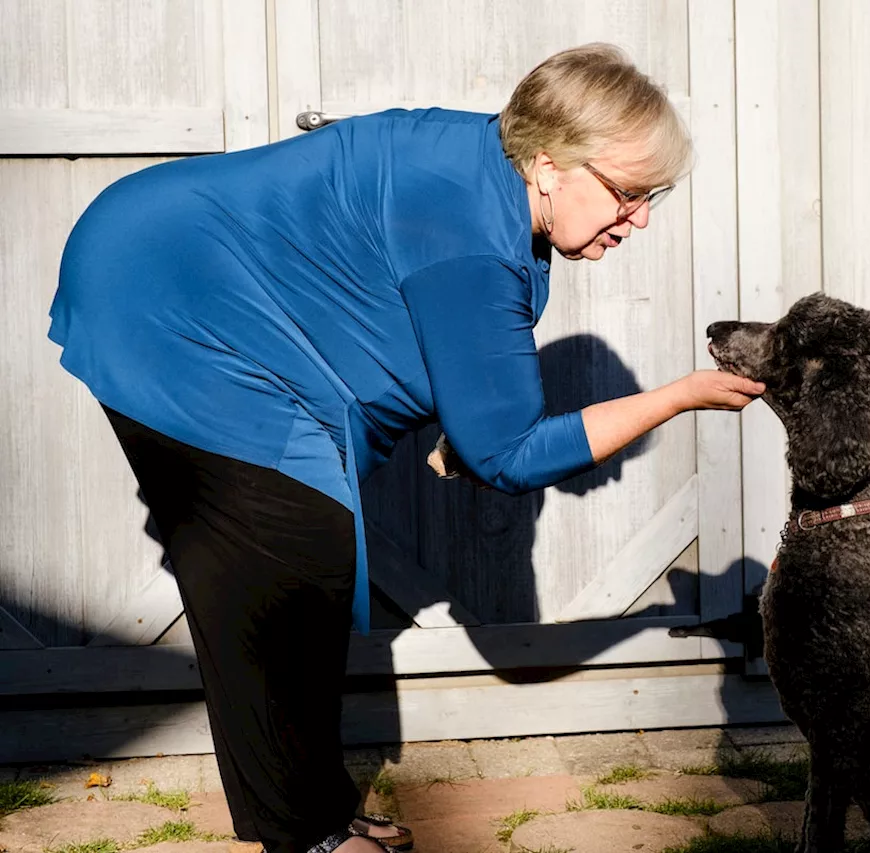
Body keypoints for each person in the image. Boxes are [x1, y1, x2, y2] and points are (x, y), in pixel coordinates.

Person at [47, 43, 763, 853]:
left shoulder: (492, 174)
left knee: (292, 573)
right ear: (551, 163)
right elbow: (513, 455)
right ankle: (308, 836)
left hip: (180, 278)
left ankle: (320, 810)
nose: (640, 219)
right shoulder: (473, 234)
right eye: (629, 193)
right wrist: (677, 395)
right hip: (165, 296)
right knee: (283, 573)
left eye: (653, 196)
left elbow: (434, 345)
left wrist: (472, 426)